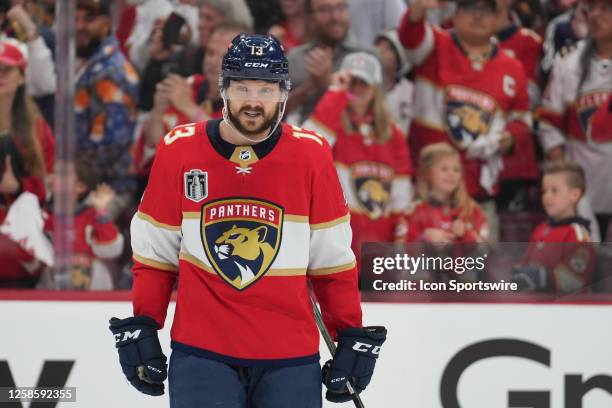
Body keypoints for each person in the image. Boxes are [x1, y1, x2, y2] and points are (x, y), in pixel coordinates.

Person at [109, 34, 386, 407]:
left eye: (266, 90)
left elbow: (332, 262)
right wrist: (145, 322)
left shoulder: (311, 155)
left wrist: (349, 332)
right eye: (242, 88)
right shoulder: (179, 150)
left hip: (290, 357)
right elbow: (155, 255)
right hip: (202, 355)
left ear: (284, 94)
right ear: (223, 90)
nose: (254, 102)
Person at [398, 0, 533, 241]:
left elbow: (522, 119)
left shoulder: (512, 67)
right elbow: (410, 40)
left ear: (497, 16)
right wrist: (416, 10)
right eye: (470, 8)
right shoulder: (435, 44)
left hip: (477, 195)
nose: (478, 16)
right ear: (456, 14)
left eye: (486, 10)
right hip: (427, 194)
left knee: (477, 273)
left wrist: (510, 137)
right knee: (421, 274)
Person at [303, 52, 413, 264]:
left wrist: (400, 246)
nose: (357, 88)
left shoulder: (393, 134)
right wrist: (336, 93)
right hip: (337, 246)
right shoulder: (332, 123)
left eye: (364, 83)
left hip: (380, 250)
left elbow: (401, 197)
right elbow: (309, 147)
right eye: (351, 82)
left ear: (375, 88)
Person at [537, 0, 612, 241]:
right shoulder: (568, 62)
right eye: (592, 8)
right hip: (582, 189)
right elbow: (549, 124)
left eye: (607, 8)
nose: (596, 15)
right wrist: (565, 177)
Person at [135, 21, 247, 179]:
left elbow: (232, 151)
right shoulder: (190, 85)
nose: (213, 62)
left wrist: (188, 107)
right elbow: (154, 148)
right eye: (210, 53)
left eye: (224, 57)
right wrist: (157, 112)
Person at [75, 0, 139, 216]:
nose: (80, 26)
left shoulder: (112, 71)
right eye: (76, 19)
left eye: (89, 19)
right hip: (83, 182)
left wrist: (76, 179)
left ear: (107, 22)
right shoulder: (93, 63)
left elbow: (112, 144)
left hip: (108, 187)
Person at [0, 37, 54, 287]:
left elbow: (50, 185)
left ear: (21, 76)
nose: (0, 76)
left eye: (6, 70)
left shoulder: (37, 129)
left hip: (19, 241)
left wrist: (19, 187)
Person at [286, 0, 375, 124]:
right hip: (305, 137)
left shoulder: (369, 58)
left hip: (352, 139)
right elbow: (275, 112)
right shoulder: (295, 58)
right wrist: (310, 86)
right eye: (325, 10)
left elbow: (376, 112)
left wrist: (327, 83)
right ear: (310, 16)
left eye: (341, 8)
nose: (335, 17)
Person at [512, 161, 595, 293]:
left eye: (554, 191)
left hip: (568, 309)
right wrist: (517, 271)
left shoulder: (578, 234)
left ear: (574, 195)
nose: (547, 196)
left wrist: (543, 277)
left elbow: (576, 279)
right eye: (544, 191)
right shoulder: (541, 229)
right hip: (537, 305)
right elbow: (525, 263)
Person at [43, 155, 124, 290]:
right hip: (52, 295)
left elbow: (111, 249)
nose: (53, 178)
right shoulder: (43, 216)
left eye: (62, 174)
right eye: (54, 172)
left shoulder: (92, 216)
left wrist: (101, 212)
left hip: (93, 295)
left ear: (80, 186)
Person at [406, 143, 489, 244]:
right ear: (427, 173)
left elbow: (485, 251)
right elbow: (400, 252)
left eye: (456, 170)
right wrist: (424, 239)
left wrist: (466, 234)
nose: (451, 174)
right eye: (444, 169)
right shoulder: (414, 211)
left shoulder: (472, 211)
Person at [374, 29, 414, 136]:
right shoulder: (365, 86)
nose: (380, 51)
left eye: (389, 49)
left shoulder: (407, 91)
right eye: (379, 45)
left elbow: (404, 130)